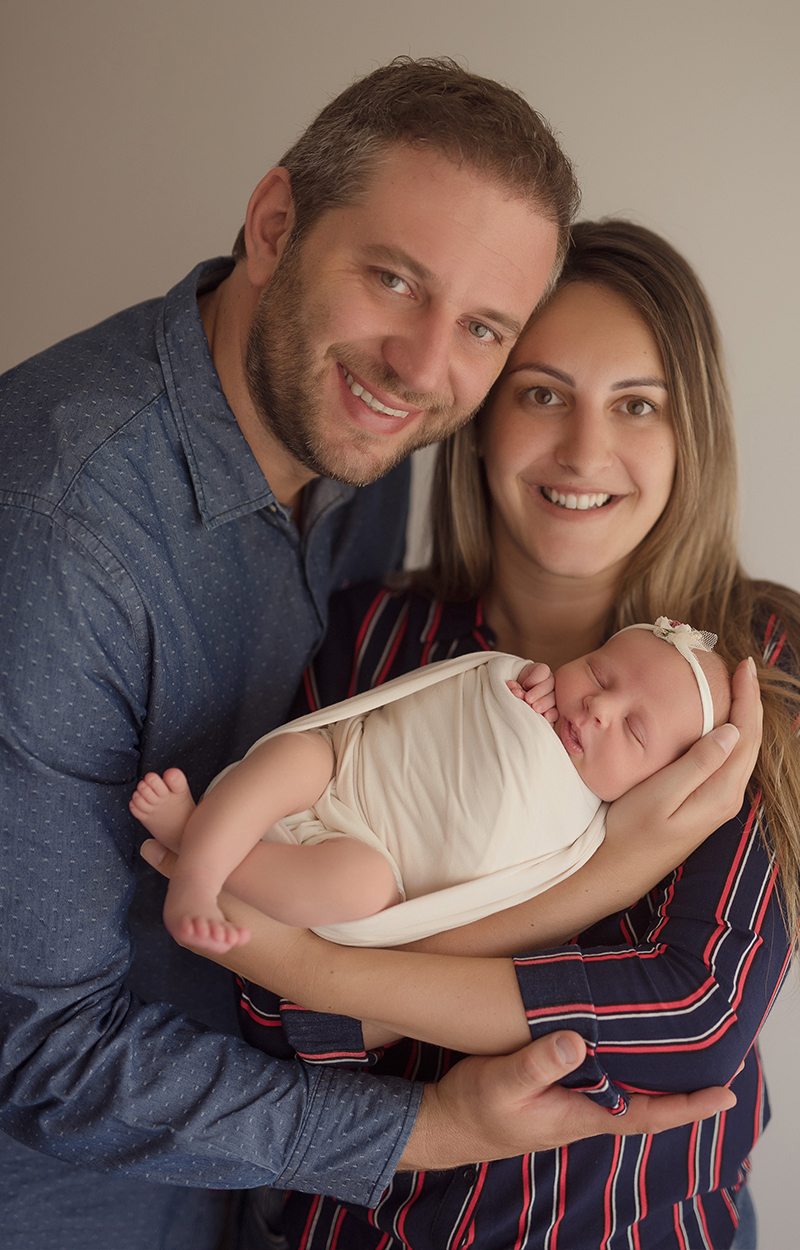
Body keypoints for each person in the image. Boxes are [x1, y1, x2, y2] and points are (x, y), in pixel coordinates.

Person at [0, 57, 739, 1250]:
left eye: (481, 328)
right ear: (275, 223)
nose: (418, 364)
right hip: (70, 1204)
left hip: (257, 1196)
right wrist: (423, 1128)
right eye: (393, 279)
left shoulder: (362, 467)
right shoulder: (59, 534)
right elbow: (39, 1051)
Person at [143, 219, 794, 1249]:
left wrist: (329, 968)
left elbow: (690, 1020)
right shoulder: (372, 636)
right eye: (541, 394)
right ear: (482, 418)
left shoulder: (753, 668)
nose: (583, 451)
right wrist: (604, 878)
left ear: (690, 434)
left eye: (636, 405)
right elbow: (268, 1017)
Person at [131, 619, 731, 954]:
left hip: (375, 860)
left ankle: (194, 839)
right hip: (343, 769)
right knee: (298, 756)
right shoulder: (531, 693)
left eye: (633, 730)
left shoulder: (589, 837)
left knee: (357, 886)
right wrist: (515, 688)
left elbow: (511, 903)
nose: (599, 706)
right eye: (600, 672)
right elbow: (460, 690)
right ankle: (200, 872)